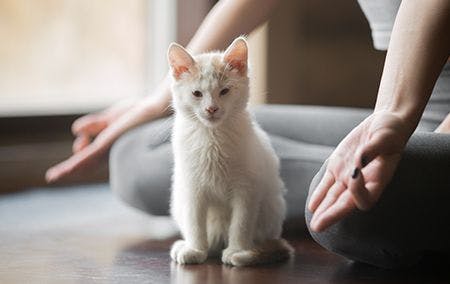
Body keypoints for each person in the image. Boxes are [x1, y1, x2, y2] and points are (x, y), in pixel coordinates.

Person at [46, 0, 450, 268]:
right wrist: (154, 101)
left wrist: (398, 118)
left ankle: (337, 184)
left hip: (435, 121)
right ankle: (330, 179)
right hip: (405, 108)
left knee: (348, 219)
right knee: (138, 152)